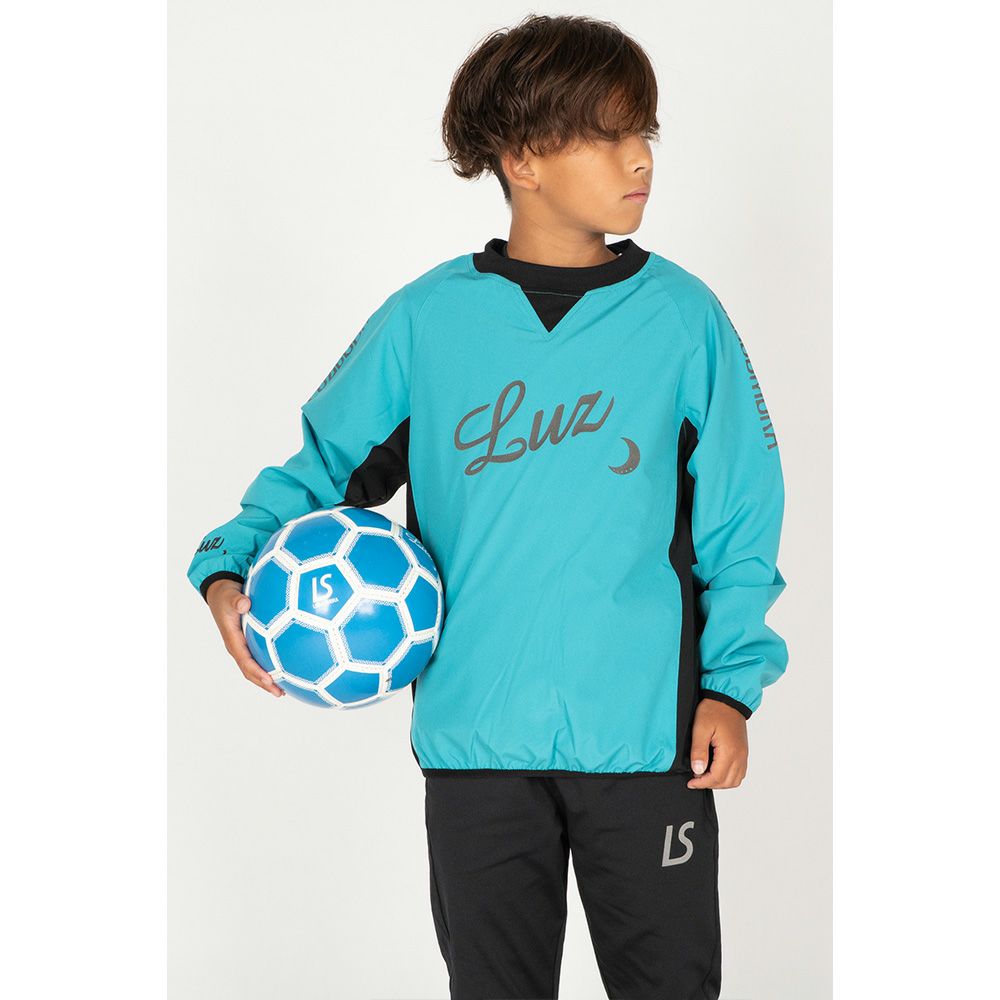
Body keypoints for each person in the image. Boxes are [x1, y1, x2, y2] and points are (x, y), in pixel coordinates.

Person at [187, 13, 789, 999]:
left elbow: (740, 519)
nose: (640, 157)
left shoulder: (685, 321)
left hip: (648, 745)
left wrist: (730, 685)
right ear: (523, 159)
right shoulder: (428, 321)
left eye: (644, 131)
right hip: (475, 746)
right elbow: (321, 469)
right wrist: (227, 562)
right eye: (606, 134)